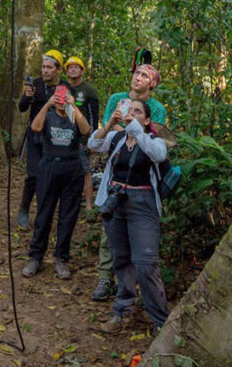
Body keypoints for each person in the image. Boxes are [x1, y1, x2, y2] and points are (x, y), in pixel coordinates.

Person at [88, 100, 170, 334]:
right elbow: (92, 143)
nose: (131, 113)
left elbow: (159, 155)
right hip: (116, 203)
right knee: (121, 259)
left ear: (146, 120)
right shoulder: (117, 139)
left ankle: (160, 321)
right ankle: (121, 312)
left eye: (137, 111)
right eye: (129, 109)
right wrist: (110, 124)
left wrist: (135, 128)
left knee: (145, 264)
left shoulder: (152, 140)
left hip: (142, 206)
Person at [92, 62, 168, 302]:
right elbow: (99, 137)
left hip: (142, 186)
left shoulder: (157, 108)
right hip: (118, 175)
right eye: (136, 72)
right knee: (113, 240)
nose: (138, 77)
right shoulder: (117, 98)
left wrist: (132, 127)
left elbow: (156, 137)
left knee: (143, 254)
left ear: (152, 83)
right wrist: (119, 128)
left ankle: (151, 303)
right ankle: (107, 279)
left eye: (144, 75)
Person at [22, 85, 92, 280]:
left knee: (68, 215)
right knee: (44, 212)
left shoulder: (75, 115)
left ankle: (61, 258)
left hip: (72, 168)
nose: (62, 99)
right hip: (49, 166)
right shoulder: (49, 114)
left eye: (65, 95)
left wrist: (74, 107)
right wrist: (48, 104)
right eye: (59, 96)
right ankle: (35, 257)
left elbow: (86, 130)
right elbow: (35, 127)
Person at [16, 50, 65, 229]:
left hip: (55, 137)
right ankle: (24, 208)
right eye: (43, 67)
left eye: (49, 68)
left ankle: (43, 215)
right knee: (33, 175)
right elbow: (22, 108)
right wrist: (27, 96)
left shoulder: (64, 87)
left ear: (58, 69)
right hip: (35, 136)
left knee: (50, 177)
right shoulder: (35, 84)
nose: (45, 71)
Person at [63, 55, 100, 233]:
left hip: (81, 137)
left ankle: (89, 206)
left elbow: (94, 116)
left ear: (82, 70)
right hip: (63, 136)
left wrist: (91, 140)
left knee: (85, 171)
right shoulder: (63, 88)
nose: (73, 70)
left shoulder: (89, 90)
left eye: (76, 67)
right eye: (70, 68)